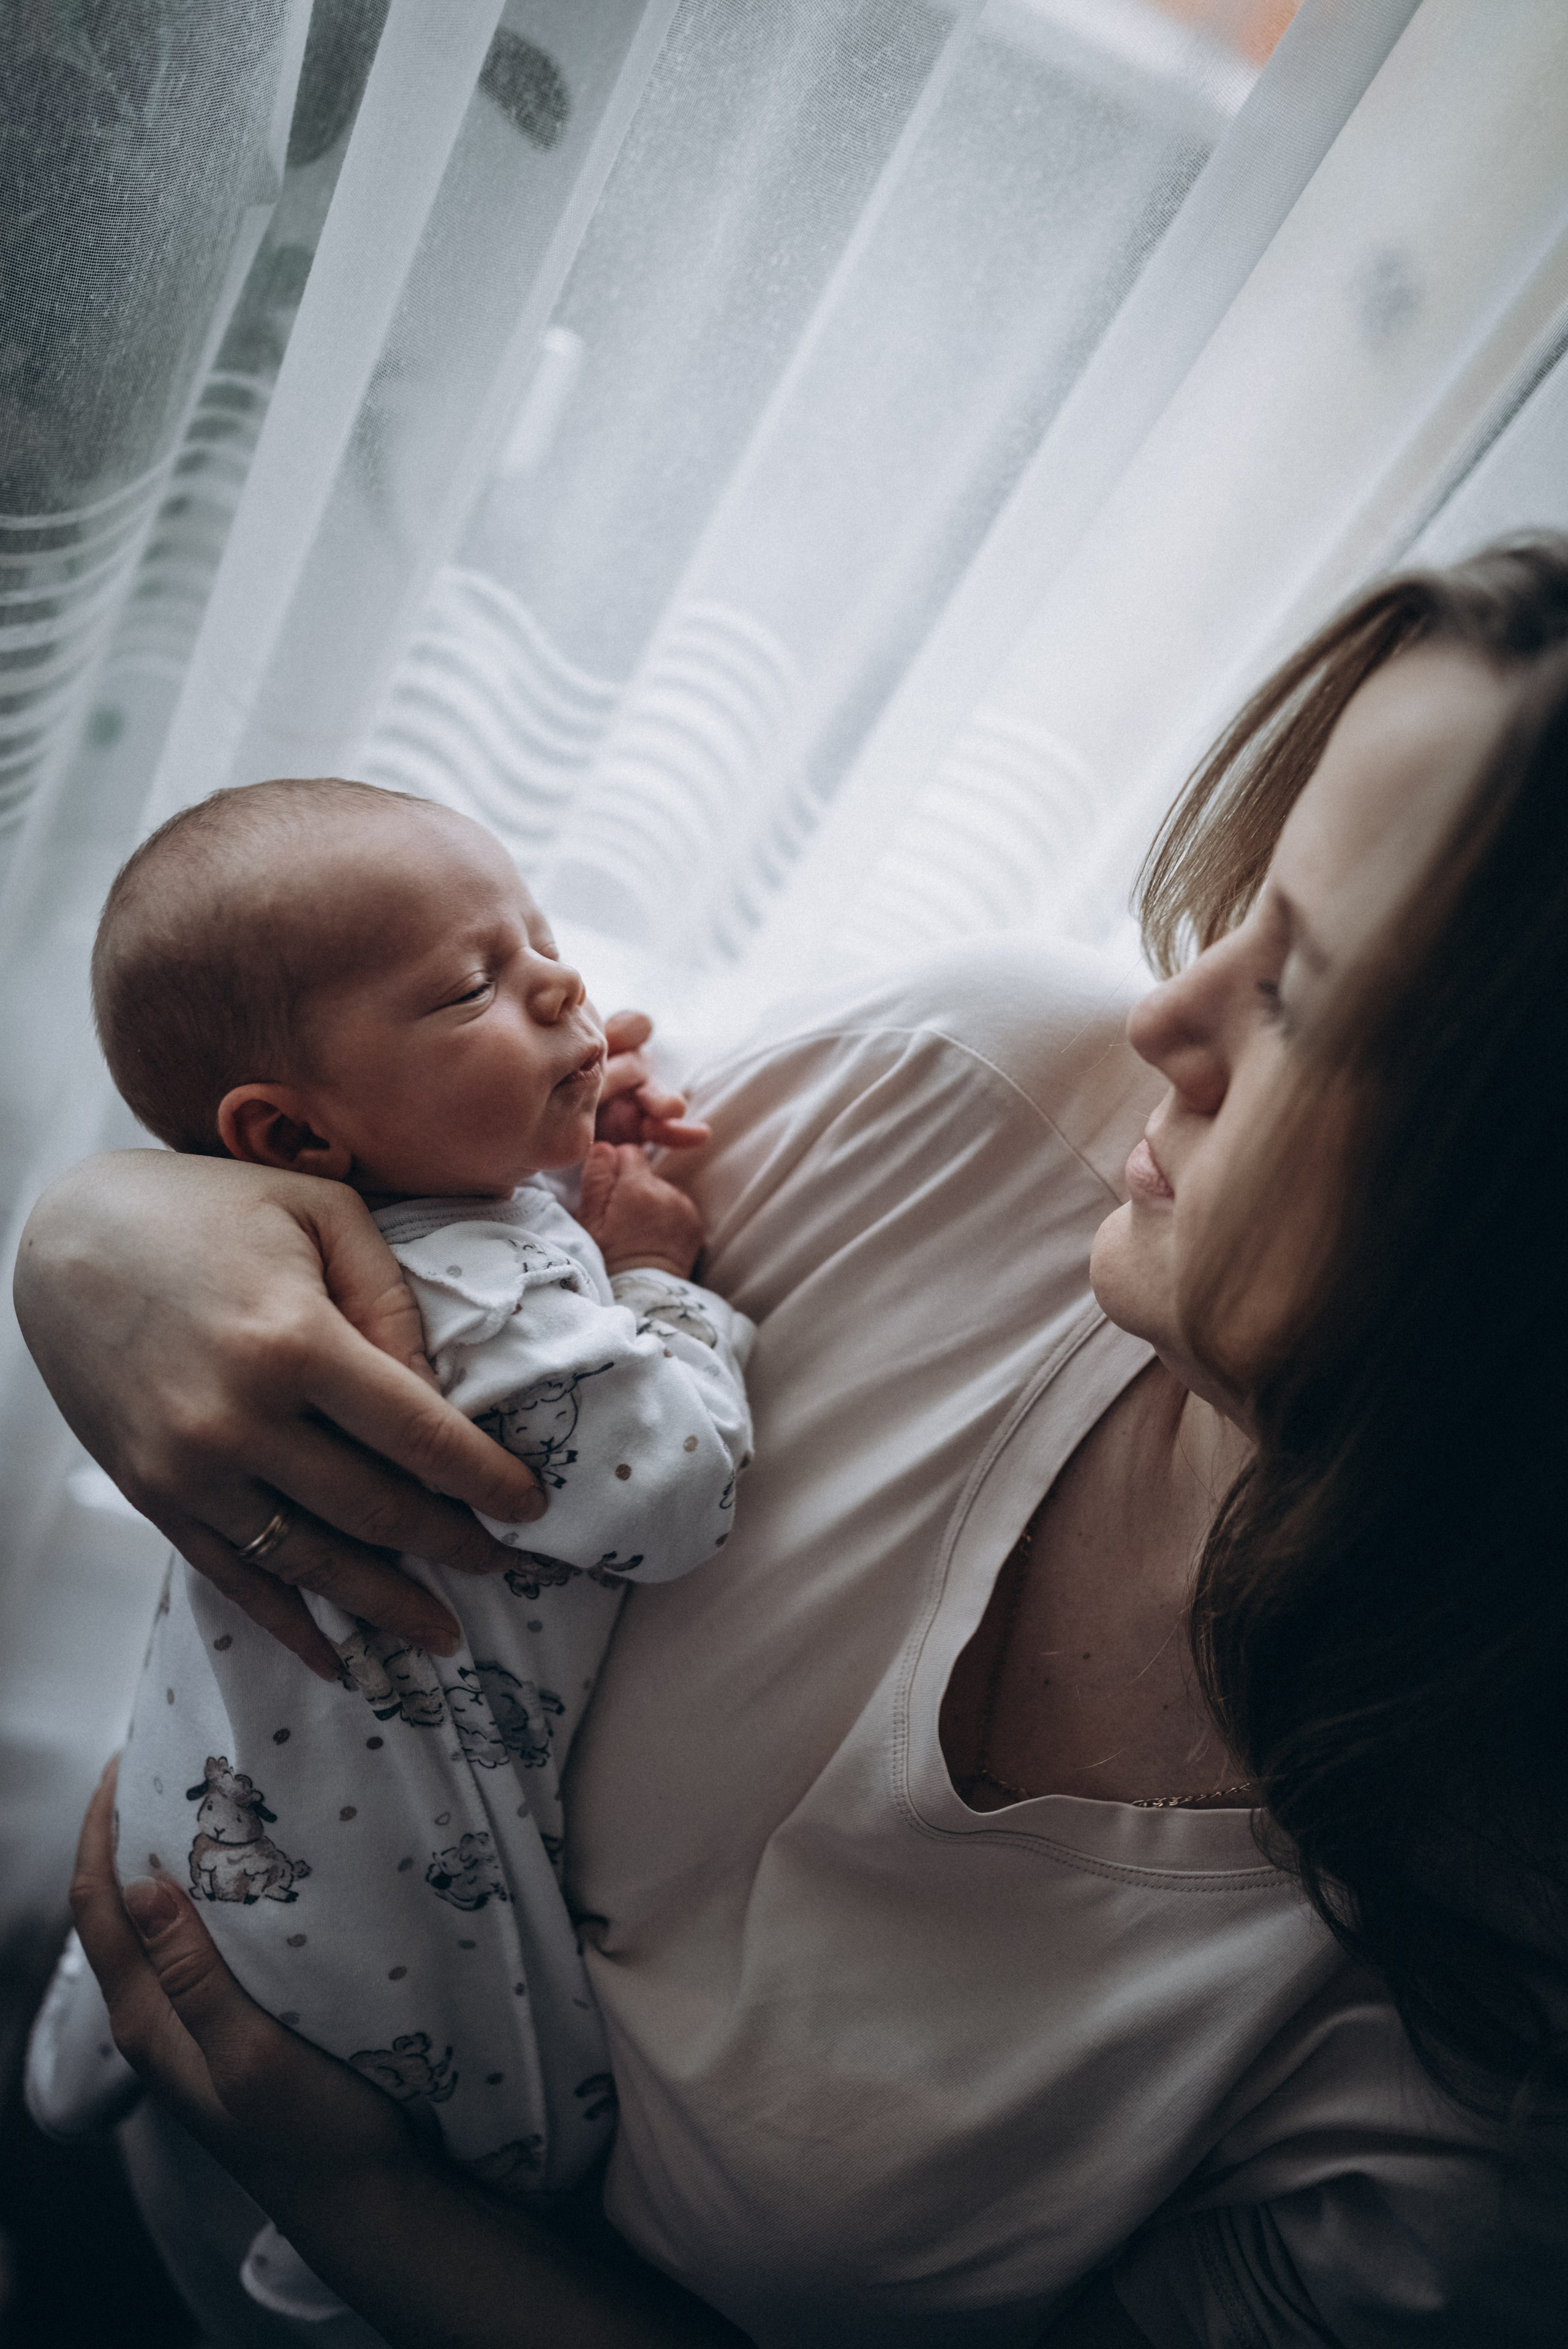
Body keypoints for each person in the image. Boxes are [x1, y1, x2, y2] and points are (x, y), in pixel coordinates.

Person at [23, 538, 1568, 2347]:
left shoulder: (1486, 2049)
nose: (1167, 1016)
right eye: (1251, 909)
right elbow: (444, 1220)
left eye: (1306, 996)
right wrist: (99, 1235)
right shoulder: (967, 1094)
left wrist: (357, 2201)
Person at [33, 780, 755, 2318]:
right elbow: (669, 1485)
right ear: (291, 1132)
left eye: (539, 937)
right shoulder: (486, 1307)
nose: (563, 986)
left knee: (159, 1939)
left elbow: (482, 1246)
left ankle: (61, 2084)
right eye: (473, 985)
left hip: (201, 1798)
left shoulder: (367, 1264)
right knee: (522, 2131)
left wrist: (553, 1151)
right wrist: (652, 1275)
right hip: (375, 1913)